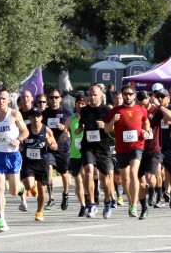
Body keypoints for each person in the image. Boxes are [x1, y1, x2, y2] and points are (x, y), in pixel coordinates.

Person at [0, 89, 29, 233]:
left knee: (13, 191)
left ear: (8, 100)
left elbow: (25, 131)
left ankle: (21, 188)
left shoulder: (14, 114)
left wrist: (18, 139)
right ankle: (2, 220)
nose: (1, 101)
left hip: (13, 155)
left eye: (3, 99)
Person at [105, 84, 150, 219]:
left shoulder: (140, 109)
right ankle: (131, 202)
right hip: (121, 149)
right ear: (122, 95)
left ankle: (134, 206)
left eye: (130, 94)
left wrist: (146, 131)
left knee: (133, 173)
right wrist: (113, 120)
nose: (128, 96)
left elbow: (146, 122)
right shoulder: (115, 111)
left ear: (134, 95)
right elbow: (107, 129)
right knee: (124, 180)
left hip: (137, 146)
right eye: (125, 94)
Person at [136, 90, 171, 219]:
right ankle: (143, 208)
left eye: (145, 99)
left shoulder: (155, 110)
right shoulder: (135, 110)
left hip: (153, 149)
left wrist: (159, 106)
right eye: (139, 100)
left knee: (150, 176)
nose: (142, 102)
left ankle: (152, 191)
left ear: (149, 98)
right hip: (137, 149)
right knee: (140, 181)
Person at [77, 85, 114, 218]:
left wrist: (105, 126)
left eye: (95, 95)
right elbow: (82, 123)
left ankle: (107, 202)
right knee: (88, 172)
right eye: (90, 95)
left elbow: (113, 129)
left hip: (102, 147)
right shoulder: (85, 110)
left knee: (105, 178)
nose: (92, 97)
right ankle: (91, 205)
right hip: (88, 146)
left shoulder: (107, 110)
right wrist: (80, 129)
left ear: (101, 95)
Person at [21, 107, 58, 221]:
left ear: (41, 118)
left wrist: (50, 144)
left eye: (38, 116)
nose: (36, 119)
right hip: (29, 162)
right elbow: (19, 141)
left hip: (42, 162)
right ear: (29, 118)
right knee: (27, 185)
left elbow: (55, 146)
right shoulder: (26, 130)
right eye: (33, 116)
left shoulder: (46, 130)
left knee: (42, 190)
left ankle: (39, 212)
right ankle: (32, 187)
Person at [43, 89, 72, 211]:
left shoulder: (67, 113)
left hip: (62, 147)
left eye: (56, 97)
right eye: (51, 97)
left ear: (60, 99)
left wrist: (64, 128)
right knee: (48, 168)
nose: (54, 100)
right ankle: (51, 198)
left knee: (64, 173)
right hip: (49, 147)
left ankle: (65, 194)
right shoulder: (45, 113)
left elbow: (71, 131)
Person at [62, 96, 86, 216]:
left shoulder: (89, 118)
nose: (80, 106)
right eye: (79, 104)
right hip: (75, 154)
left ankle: (90, 194)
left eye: (83, 104)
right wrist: (65, 134)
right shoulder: (70, 119)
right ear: (76, 105)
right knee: (78, 180)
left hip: (88, 153)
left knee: (85, 176)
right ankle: (82, 205)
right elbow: (63, 137)